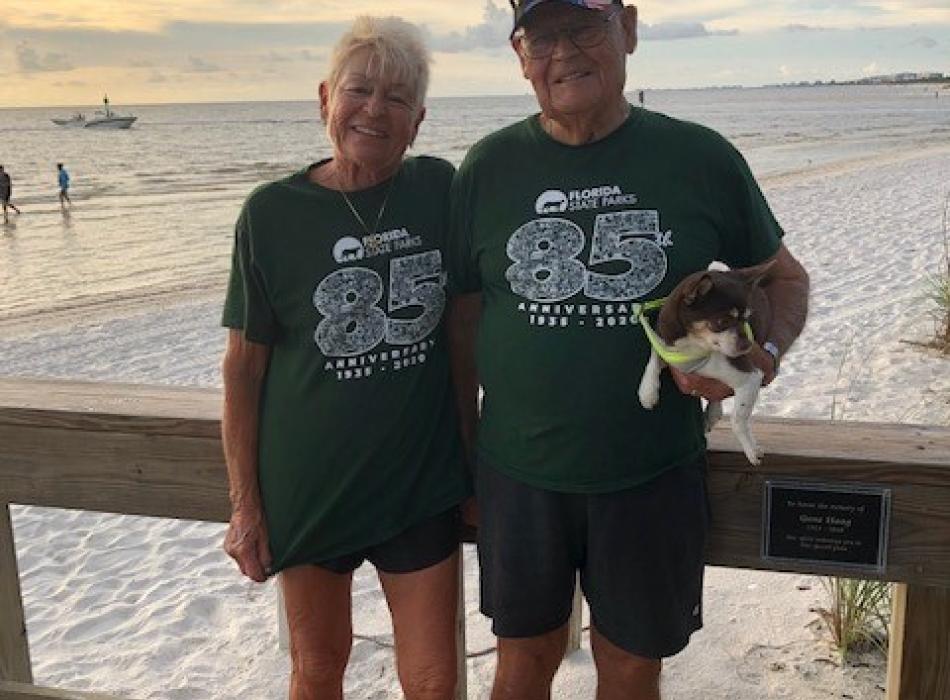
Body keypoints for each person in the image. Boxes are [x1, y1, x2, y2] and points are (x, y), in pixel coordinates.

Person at [447, 2, 810, 699]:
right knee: (520, 663)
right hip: (519, 477)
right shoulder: (487, 168)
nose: (565, 52)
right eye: (543, 35)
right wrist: (464, 452)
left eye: (586, 27)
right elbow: (462, 325)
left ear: (630, 29)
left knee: (632, 666)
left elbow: (785, 281)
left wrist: (758, 353)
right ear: (520, 55)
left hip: (651, 477)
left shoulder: (699, 158)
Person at [220, 15, 470, 700]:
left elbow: (464, 334)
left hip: (418, 481)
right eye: (359, 90)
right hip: (309, 486)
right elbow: (243, 369)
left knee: (432, 677)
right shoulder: (271, 214)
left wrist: (473, 456)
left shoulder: (439, 191)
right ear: (325, 98)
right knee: (317, 667)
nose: (374, 110)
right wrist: (246, 505)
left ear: (417, 120)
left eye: (396, 98)